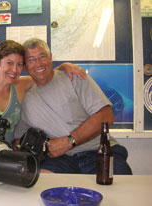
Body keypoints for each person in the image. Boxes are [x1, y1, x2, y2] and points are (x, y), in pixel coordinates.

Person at [14, 38, 132, 174]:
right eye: (31, 59)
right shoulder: (26, 98)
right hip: (60, 160)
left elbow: (106, 116)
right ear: (25, 65)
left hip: (97, 151)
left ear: (50, 57)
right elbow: (18, 138)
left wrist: (69, 141)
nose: (38, 63)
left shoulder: (74, 77)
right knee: (39, 185)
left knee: (121, 189)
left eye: (42, 56)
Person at [0, 40, 86, 145]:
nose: (15, 70)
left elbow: (44, 75)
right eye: (9, 63)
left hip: (6, 157)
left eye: (20, 64)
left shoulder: (21, 85)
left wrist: (64, 66)